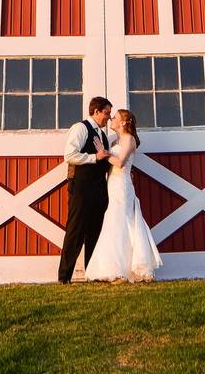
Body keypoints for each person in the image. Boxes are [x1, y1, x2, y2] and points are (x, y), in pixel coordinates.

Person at [84, 108, 162, 282]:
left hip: (122, 186)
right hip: (112, 184)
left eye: (115, 117)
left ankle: (123, 270)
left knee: (121, 221)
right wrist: (105, 152)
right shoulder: (116, 141)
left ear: (123, 122)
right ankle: (113, 268)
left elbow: (119, 163)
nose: (111, 119)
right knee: (113, 221)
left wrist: (103, 154)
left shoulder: (129, 139)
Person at [57, 96, 113, 284]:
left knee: (95, 231)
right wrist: (94, 157)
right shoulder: (80, 128)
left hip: (99, 188)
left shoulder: (102, 135)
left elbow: (103, 160)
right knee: (75, 231)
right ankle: (64, 277)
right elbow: (70, 155)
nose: (109, 117)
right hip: (81, 186)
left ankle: (92, 273)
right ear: (96, 111)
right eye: (106, 113)